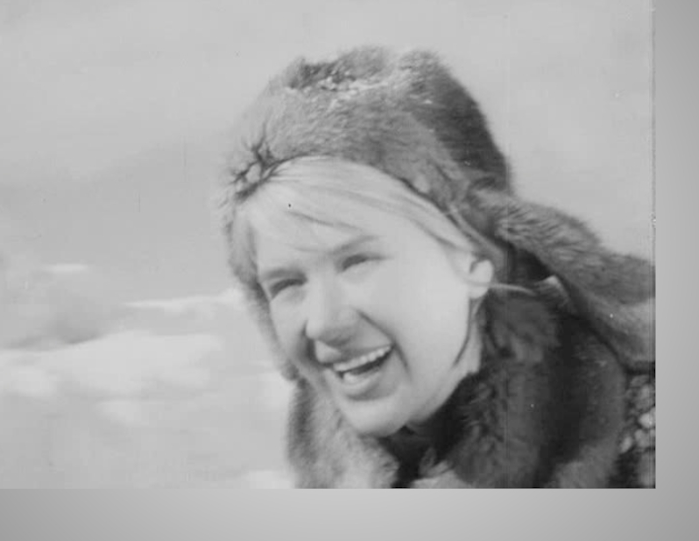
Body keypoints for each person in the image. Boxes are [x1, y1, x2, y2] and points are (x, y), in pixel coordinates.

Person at [218, 46, 655, 488]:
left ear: (480, 258)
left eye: (357, 261)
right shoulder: (318, 464)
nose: (324, 323)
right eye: (286, 284)